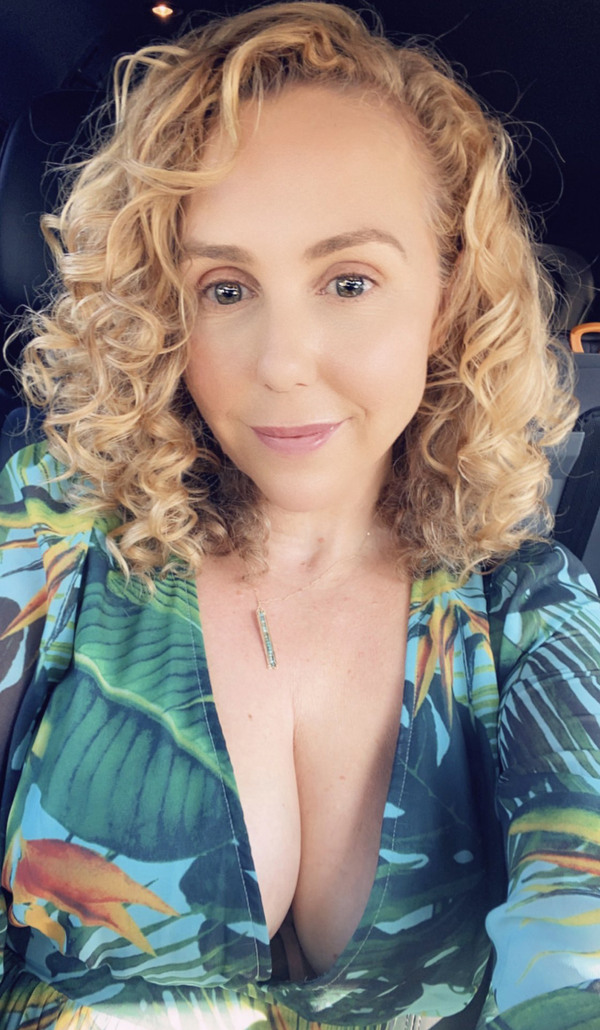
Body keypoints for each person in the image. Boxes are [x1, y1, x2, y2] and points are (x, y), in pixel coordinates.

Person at [1, 2, 599, 1028]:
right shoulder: (51, 531)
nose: (282, 364)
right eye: (226, 289)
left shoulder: (528, 611)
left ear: (447, 295)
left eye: (349, 281)